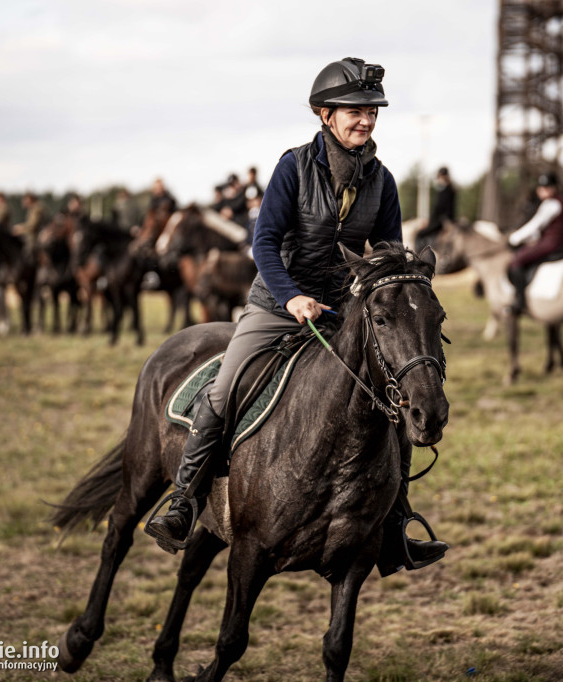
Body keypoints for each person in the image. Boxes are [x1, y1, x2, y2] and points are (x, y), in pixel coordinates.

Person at [145, 57, 448, 576]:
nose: (367, 120)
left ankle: (396, 527)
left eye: (373, 111)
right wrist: (290, 297)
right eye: (356, 111)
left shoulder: (385, 181)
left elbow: (391, 252)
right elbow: (263, 244)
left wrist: (403, 282)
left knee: (391, 405)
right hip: (277, 304)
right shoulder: (293, 167)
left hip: (342, 313)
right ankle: (183, 505)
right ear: (324, 114)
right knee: (223, 391)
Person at [506, 172, 563, 315]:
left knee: (517, 260)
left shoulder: (552, 204)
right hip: (549, 240)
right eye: (541, 187)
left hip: (551, 243)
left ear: (554, 188)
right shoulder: (555, 202)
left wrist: (514, 238)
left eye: (547, 187)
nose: (543, 190)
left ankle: (520, 301)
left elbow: (535, 225)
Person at [414, 166, 456, 253]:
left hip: (440, 221)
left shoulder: (447, 191)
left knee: (419, 235)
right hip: (439, 220)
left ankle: (420, 256)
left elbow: (441, 209)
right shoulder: (448, 190)